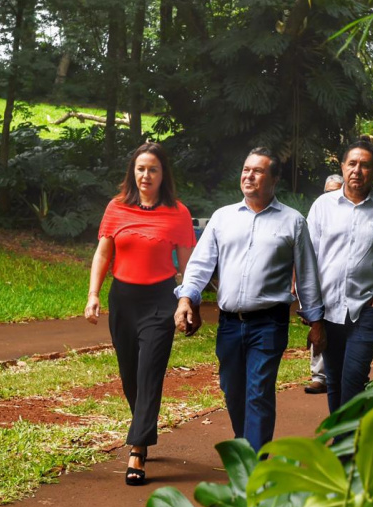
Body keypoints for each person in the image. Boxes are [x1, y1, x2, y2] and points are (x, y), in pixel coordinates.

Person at [174, 147, 325, 452]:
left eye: (257, 171)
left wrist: (316, 321)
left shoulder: (293, 222)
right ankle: (247, 447)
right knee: (233, 390)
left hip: (269, 322)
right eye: (246, 169)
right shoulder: (223, 217)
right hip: (230, 323)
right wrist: (186, 299)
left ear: (274, 179)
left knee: (258, 391)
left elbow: (307, 274)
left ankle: (253, 465)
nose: (249, 176)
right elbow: (201, 264)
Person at [85, 143, 196, 486]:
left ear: (164, 175)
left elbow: (189, 263)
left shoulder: (178, 213)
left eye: (153, 169)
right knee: (130, 374)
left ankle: (137, 450)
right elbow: (104, 254)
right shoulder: (116, 208)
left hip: (160, 299)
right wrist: (93, 295)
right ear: (132, 173)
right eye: (140, 169)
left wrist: (186, 300)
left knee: (150, 371)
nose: (146, 175)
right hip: (124, 299)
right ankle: (144, 426)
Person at [307, 140, 373, 413]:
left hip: (366, 309)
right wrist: (310, 306)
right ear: (342, 167)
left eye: (365, 165)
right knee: (335, 381)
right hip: (328, 311)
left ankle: (344, 445)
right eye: (352, 164)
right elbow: (308, 257)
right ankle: (343, 441)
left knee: (353, 380)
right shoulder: (322, 206)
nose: (357, 171)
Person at [304, 173, 344, 395]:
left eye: (335, 190)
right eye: (327, 191)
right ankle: (319, 376)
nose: (331, 195)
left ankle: (343, 374)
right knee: (318, 326)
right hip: (321, 282)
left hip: (348, 286)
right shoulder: (319, 209)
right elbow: (307, 247)